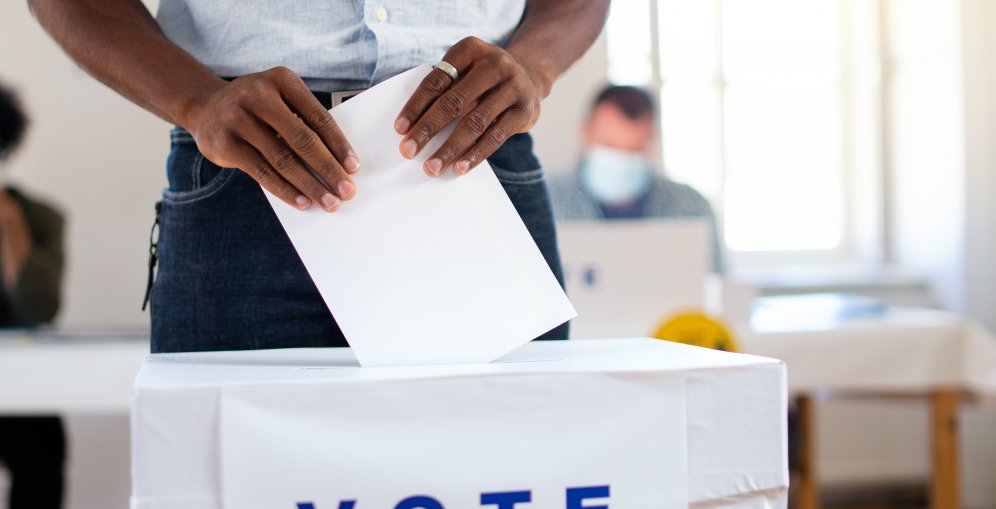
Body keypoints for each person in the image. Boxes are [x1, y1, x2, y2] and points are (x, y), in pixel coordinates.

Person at [30, 0, 610, 353]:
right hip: (248, 168)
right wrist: (196, 101)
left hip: (474, 148)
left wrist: (536, 66)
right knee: (242, 501)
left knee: (510, 481)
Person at [549, 84, 725, 273]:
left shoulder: (691, 207)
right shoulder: (547, 200)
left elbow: (714, 284)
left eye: (634, 148)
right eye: (610, 144)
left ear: (652, 138)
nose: (621, 158)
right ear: (586, 131)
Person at [0, 81, 67, 509]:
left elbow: (40, 309)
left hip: (20, 384)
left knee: (42, 457)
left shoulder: (39, 216)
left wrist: (9, 225)